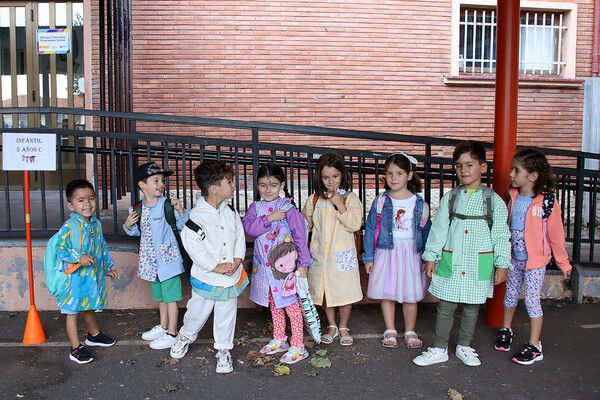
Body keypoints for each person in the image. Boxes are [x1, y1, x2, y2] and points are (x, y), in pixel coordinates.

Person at [413, 140, 511, 367]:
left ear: (483, 168)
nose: (463, 170)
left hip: (479, 264)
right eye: (459, 166)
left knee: (471, 308)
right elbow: (438, 230)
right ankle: (439, 348)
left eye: (469, 165)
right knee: (445, 306)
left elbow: (500, 234)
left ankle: (464, 346)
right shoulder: (451, 198)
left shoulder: (493, 201)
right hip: (452, 261)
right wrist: (431, 256)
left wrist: (502, 263)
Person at [170, 160, 248, 374]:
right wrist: (215, 266)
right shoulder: (196, 218)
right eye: (229, 182)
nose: (233, 185)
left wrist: (238, 259)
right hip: (208, 278)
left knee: (226, 314)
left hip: (230, 277)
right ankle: (185, 336)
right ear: (214, 189)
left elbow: (239, 235)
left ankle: (223, 350)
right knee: (197, 312)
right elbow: (193, 247)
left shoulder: (230, 210)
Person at [495, 148, 572, 365]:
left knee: (531, 301)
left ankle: (535, 345)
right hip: (513, 259)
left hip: (535, 262)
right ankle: (506, 329)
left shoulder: (546, 202)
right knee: (509, 296)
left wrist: (563, 262)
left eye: (516, 170)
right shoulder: (512, 195)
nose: (511, 174)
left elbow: (556, 234)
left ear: (532, 176)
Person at [242, 163, 311, 363]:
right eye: (263, 185)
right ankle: (280, 338)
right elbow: (249, 229)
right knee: (273, 302)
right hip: (264, 267)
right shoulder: (255, 208)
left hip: (285, 269)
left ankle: (298, 345)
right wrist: (269, 218)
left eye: (273, 184)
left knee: (291, 305)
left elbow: (300, 236)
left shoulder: (288, 209)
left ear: (281, 184)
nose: (268, 189)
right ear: (257, 185)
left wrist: (304, 263)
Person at [362, 153, 431, 349]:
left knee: (411, 292)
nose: (394, 178)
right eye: (389, 174)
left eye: (399, 173)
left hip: (411, 252)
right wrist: (369, 256)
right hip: (386, 251)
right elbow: (371, 228)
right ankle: (390, 330)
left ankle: (410, 330)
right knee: (388, 291)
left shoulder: (418, 203)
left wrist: (428, 258)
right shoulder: (381, 201)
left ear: (409, 175)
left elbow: (426, 230)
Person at [123, 161, 189, 350]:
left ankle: (172, 332)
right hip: (151, 263)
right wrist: (127, 224)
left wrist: (181, 211)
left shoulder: (167, 205)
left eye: (162, 181)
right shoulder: (136, 209)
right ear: (142, 185)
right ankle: (163, 326)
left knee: (171, 299)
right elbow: (138, 233)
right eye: (156, 180)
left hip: (169, 261)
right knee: (160, 297)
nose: (161, 184)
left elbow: (183, 226)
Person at [302, 153, 363, 346]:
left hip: (341, 256)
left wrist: (340, 205)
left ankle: (344, 326)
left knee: (345, 291)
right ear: (319, 177)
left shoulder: (351, 198)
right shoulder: (314, 199)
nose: (331, 181)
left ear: (342, 175)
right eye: (326, 177)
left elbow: (355, 225)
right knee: (325, 291)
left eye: (335, 176)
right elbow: (306, 225)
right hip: (321, 255)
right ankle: (332, 325)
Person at [55, 179, 117, 364]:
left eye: (90, 198)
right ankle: (75, 348)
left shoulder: (96, 224)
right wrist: (78, 257)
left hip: (91, 277)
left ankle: (94, 335)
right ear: (71, 205)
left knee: (89, 305)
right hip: (73, 278)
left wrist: (107, 266)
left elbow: (102, 247)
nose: (87, 204)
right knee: (72, 312)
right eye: (80, 200)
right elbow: (60, 247)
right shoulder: (70, 226)